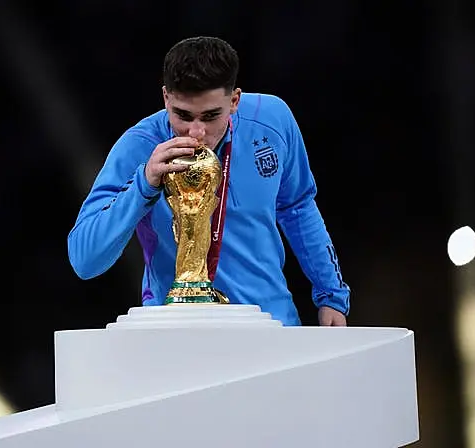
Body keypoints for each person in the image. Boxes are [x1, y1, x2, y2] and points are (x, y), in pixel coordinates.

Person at [67, 36, 350, 326]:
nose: (196, 132)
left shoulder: (271, 121)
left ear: (235, 100)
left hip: (271, 325)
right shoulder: (139, 147)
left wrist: (332, 295)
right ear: (166, 98)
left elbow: (298, 207)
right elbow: (84, 260)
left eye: (211, 116)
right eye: (183, 115)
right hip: (179, 335)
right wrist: (145, 183)